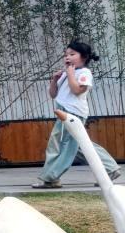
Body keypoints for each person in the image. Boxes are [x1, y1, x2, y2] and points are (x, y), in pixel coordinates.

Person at [32, 40, 121, 188]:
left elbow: (77, 90)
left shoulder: (84, 73)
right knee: (79, 145)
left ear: (84, 57)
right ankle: (110, 169)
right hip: (63, 112)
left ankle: (51, 178)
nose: (67, 57)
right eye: (66, 54)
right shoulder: (67, 73)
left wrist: (71, 75)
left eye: (72, 54)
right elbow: (53, 94)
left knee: (58, 144)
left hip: (72, 114)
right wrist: (55, 80)